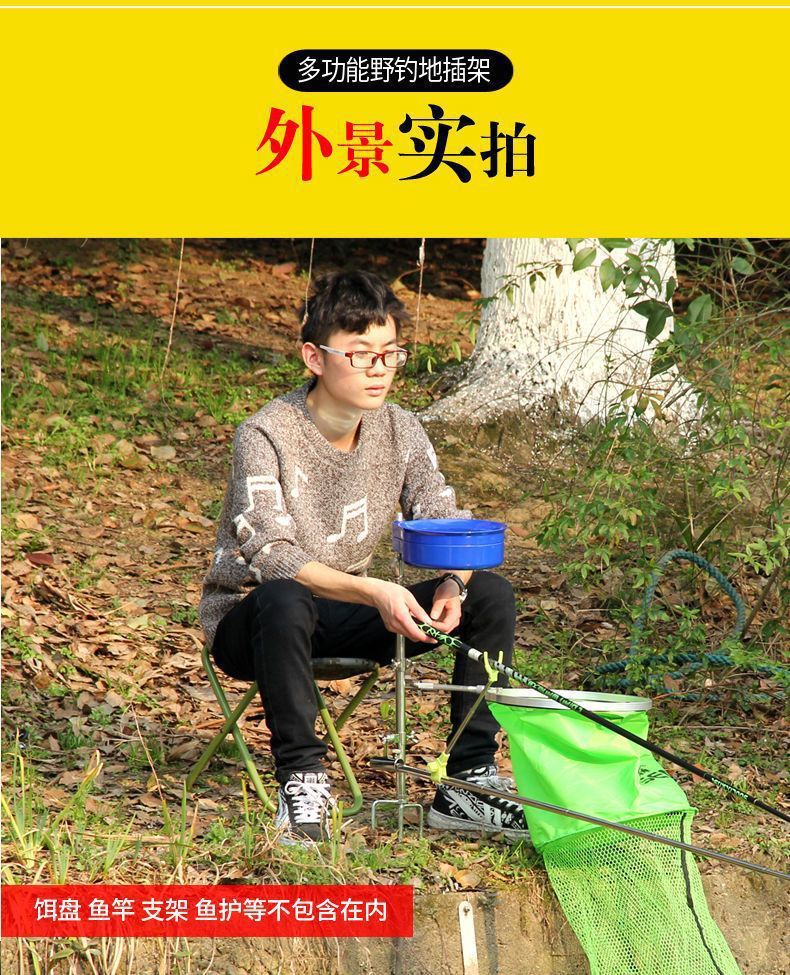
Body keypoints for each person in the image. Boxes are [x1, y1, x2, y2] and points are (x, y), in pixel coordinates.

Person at [199, 270, 528, 844]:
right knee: (284, 596)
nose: (379, 369)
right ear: (314, 357)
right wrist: (376, 590)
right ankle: (301, 784)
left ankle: (468, 782)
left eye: (390, 354)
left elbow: (443, 518)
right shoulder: (266, 433)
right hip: (254, 622)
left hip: (348, 611)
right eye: (360, 355)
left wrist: (454, 582)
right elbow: (271, 555)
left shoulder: (400, 429)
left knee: (490, 594)